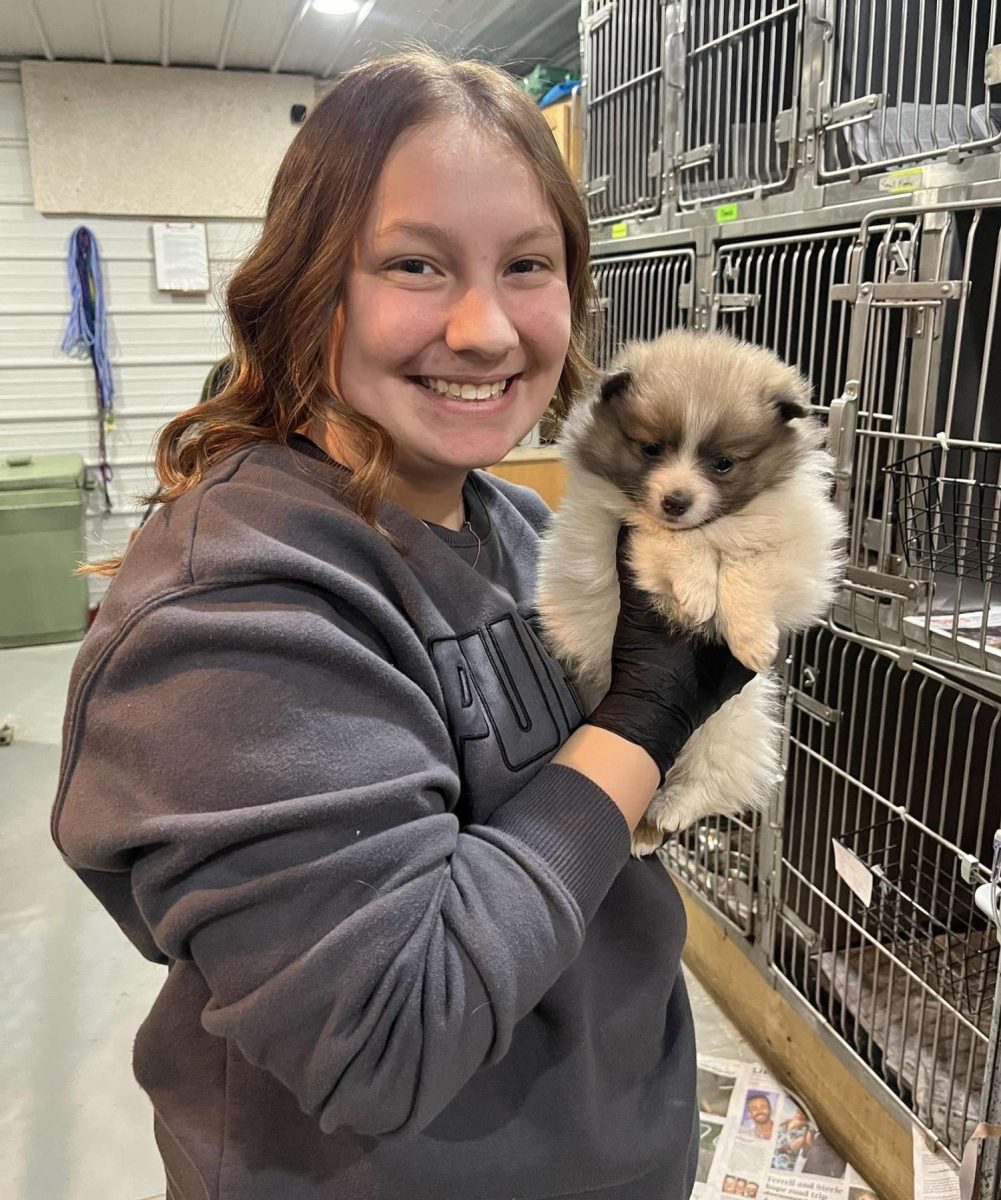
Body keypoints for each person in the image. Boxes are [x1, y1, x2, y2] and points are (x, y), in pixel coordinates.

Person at [50, 50, 753, 1200]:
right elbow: (385, 1039)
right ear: (305, 287)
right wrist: (641, 720)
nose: (484, 330)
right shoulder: (232, 611)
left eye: (526, 264)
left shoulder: (520, 529)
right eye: (415, 264)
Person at [771, 1104, 815, 1170]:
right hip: (770, 1162)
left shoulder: (807, 1131)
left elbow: (806, 1147)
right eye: (799, 1111)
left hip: (785, 1167)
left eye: (804, 1114)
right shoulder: (783, 1124)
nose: (800, 1114)